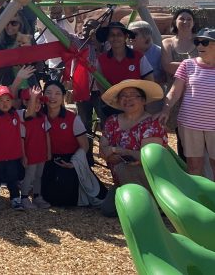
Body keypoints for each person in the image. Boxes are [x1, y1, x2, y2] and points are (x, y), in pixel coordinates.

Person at [99, 79, 167, 217]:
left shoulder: (152, 124)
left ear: (143, 100)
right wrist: (113, 153)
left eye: (133, 95)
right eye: (123, 96)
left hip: (149, 179)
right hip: (120, 179)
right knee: (108, 209)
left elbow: (148, 158)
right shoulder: (112, 121)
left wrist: (118, 151)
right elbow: (103, 151)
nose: (127, 99)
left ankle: (151, 204)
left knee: (123, 168)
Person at [40, 80, 107, 207]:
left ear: (63, 97)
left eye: (57, 93)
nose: (52, 97)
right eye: (48, 93)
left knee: (66, 195)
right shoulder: (39, 116)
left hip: (69, 159)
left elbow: (84, 145)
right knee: (46, 195)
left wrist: (74, 163)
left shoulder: (72, 119)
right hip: (47, 159)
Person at [158, 28, 215, 177]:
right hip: (190, 124)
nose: (200, 46)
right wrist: (166, 109)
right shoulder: (187, 65)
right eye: (197, 42)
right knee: (194, 166)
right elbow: (174, 91)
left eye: (205, 42)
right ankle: (198, 198)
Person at [94, 21, 155, 120]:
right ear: (108, 38)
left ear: (125, 37)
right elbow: (99, 82)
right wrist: (111, 100)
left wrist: (141, 101)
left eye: (119, 35)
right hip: (111, 106)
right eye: (112, 35)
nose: (115, 38)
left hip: (135, 105)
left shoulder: (138, 57)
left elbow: (149, 81)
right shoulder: (101, 59)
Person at [0, 86, 26, 211]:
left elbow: (20, 135)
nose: (5, 103)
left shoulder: (16, 115)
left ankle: (15, 198)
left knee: (13, 178)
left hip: (13, 154)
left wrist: (22, 154)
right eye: (1, 100)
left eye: (8, 100)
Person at [18, 85, 52, 209]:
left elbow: (47, 134)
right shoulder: (23, 117)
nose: (36, 104)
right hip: (30, 153)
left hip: (41, 152)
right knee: (29, 175)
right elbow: (21, 139)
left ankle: (37, 196)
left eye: (39, 101)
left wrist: (48, 151)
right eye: (32, 100)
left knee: (39, 175)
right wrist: (24, 155)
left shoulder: (43, 117)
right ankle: (24, 197)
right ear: (24, 102)